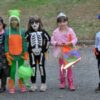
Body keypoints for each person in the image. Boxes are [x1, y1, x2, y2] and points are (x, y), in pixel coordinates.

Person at [51, 12, 78, 91]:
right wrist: (56, 43)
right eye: (60, 22)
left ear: (67, 22)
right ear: (57, 23)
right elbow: (52, 40)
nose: (62, 23)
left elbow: (75, 39)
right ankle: (62, 82)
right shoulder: (55, 32)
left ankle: (71, 83)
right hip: (61, 53)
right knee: (62, 68)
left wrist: (71, 43)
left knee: (69, 68)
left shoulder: (70, 30)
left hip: (69, 51)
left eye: (64, 21)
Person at [5, 10, 28, 94]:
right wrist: (7, 53)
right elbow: (6, 43)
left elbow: (24, 42)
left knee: (21, 71)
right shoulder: (7, 31)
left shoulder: (22, 31)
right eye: (12, 20)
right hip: (12, 55)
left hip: (21, 54)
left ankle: (22, 84)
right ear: (10, 21)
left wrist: (25, 52)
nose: (14, 22)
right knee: (12, 71)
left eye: (15, 20)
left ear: (18, 21)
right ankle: (11, 85)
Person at [26, 15, 50, 92]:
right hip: (32, 53)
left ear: (39, 23)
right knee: (33, 68)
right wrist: (27, 50)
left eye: (36, 22)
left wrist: (45, 49)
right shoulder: (28, 33)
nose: (34, 24)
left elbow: (48, 40)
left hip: (41, 53)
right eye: (32, 22)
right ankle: (33, 84)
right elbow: (24, 41)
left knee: (41, 67)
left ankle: (43, 84)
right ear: (30, 24)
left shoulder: (43, 32)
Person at [0, 17, 9, 93]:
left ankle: (3, 86)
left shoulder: (6, 33)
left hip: (4, 56)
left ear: (2, 25)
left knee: (4, 72)